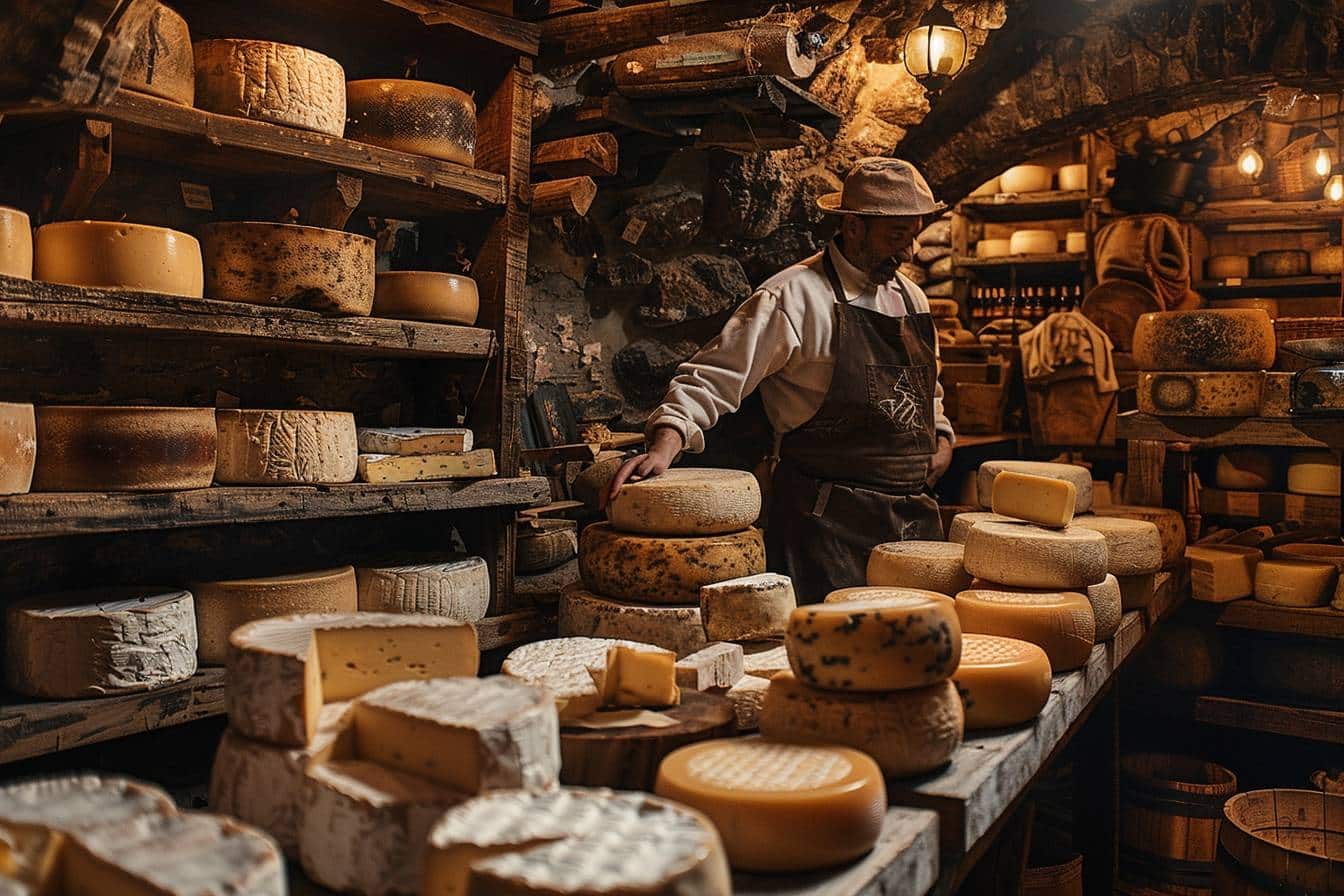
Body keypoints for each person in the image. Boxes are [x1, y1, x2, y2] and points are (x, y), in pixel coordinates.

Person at [606, 157, 957, 601]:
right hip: (827, 528)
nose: (908, 252)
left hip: (912, 526)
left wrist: (941, 435)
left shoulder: (913, 299)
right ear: (853, 227)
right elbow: (715, 376)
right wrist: (666, 441)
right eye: (895, 237)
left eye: (914, 235)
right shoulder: (792, 296)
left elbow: (927, 389)